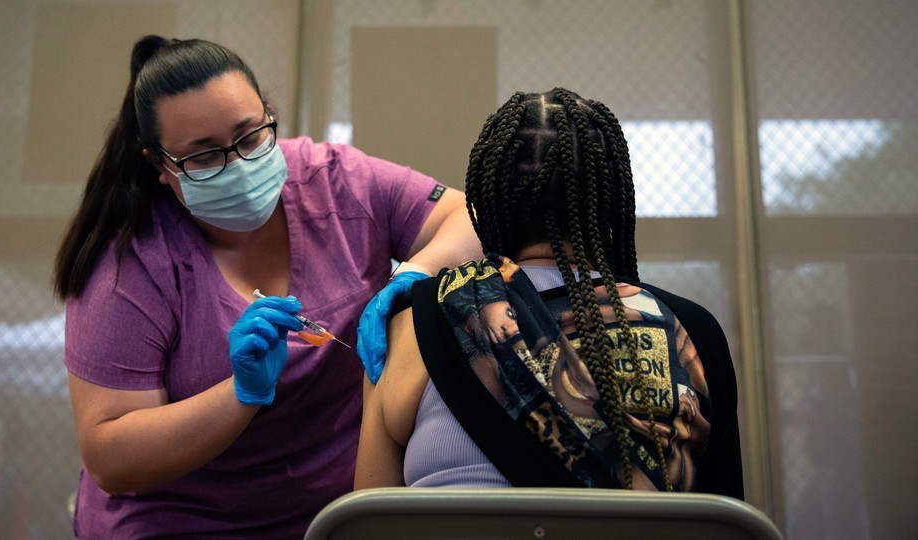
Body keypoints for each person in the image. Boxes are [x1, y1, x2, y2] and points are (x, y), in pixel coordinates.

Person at [52, 35, 479, 539]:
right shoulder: (131, 261)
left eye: (250, 136)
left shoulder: (335, 180)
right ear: (159, 165)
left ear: (268, 114)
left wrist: (412, 275)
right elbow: (111, 457)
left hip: (330, 518)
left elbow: (467, 217)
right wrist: (241, 395)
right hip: (179, 525)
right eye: (203, 156)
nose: (238, 164)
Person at [354, 88, 744, 498]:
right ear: (611, 201)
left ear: (488, 203)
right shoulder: (692, 333)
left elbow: (366, 520)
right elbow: (726, 521)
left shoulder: (412, 328)